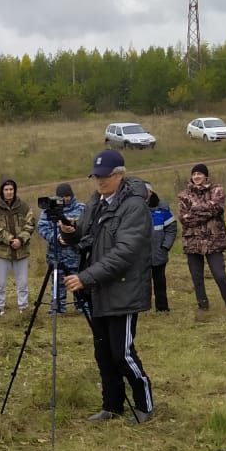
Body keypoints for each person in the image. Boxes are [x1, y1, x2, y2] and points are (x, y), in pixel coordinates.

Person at [58, 149, 155, 423]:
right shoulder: (95, 203)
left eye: (105, 176)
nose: (100, 181)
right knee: (103, 353)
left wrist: (86, 277)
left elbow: (125, 252)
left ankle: (145, 404)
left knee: (122, 352)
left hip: (122, 289)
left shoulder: (134, 207)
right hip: (98, 290)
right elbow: (88, 238)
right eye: (96, 176)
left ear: (120, 175)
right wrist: (71, 234)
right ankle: (111, 405)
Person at [176, 163, 226, 312]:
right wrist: (208, 209)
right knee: (196, 277)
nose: (197, 176)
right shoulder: (183, 195)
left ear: (206, 176)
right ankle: (203, 306)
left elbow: (217, 207)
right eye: (194, 174)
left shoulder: (217, 190)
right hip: (193, 241)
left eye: (200, 174)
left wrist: (194, 210)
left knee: (219, 274)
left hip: (214, 240)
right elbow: (184, 219)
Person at [36, 182, 87, 313]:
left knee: (79, 279)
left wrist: (73, 236)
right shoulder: (50, 210)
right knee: (58, 281)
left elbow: (87, 227)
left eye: (67, 196)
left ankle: (82, 305)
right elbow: (42, 227)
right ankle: (58, 306)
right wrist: (57, 237)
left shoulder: (81, 208)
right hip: (56, 253)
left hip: (76, 254)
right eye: (62, 196)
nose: (65, 199)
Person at [0, 177, 35, 316]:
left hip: (21, 251)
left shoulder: (24, 207)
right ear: (2, 191)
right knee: (0, 283)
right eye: (6, 189)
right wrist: (10, 240)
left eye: (11, 189)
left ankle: (23, 308)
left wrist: (20, 240)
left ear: (15, 191)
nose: (9, 192)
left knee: (23, 283)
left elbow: (30, 224)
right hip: (2, 252)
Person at [147, 186, 177, 312]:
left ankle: (162, 308)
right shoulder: (132, 209)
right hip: (139, 255)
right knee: (143, 283)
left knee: (160, 281)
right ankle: (144, 307)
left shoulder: (162, 208)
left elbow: (171, 228)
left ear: (151, 192)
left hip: (158, 253)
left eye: (146, 191)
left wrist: (165, 246)